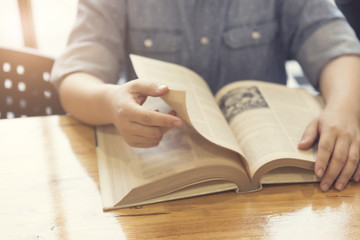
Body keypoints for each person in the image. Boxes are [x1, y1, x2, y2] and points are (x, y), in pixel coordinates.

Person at [51, 0, 360, 192]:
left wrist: (344, 109)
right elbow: (74, 77)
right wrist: (111, 101)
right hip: (161, 184)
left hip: (271, 185)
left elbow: (338, 46)